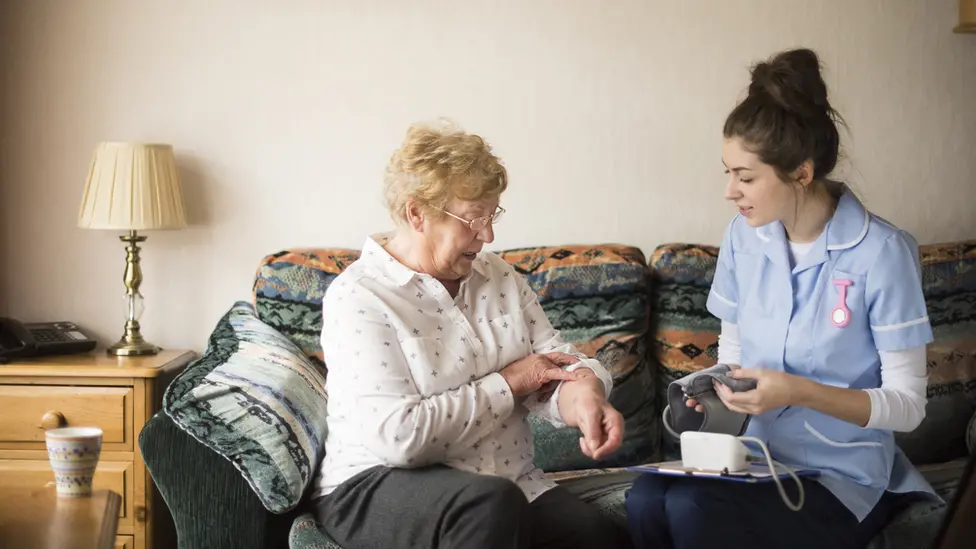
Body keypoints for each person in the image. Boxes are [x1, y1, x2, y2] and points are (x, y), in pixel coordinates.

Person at [625, 48, 939, 549]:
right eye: (727, 172)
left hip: (842, 479)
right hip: (753, 461)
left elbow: (908, 406)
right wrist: (714, 388)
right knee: (645, 496)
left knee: (692, 506)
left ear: (801, 173)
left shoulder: (881, 253)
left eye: (746, 177)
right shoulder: (743, 238)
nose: (730, 191)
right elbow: (733, 353)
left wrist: (796, 391)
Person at [310, 120, 634, 549]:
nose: (489, 235)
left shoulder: (497, 276)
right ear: (416, 214)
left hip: (503, 482)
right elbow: (399, 438)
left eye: (492, 214)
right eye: (473, 219)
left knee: (594, 536)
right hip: (375, 486)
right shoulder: (360, 298)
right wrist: (512, 381)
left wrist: (586, 398)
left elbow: (555, 365)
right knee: (488, 505)